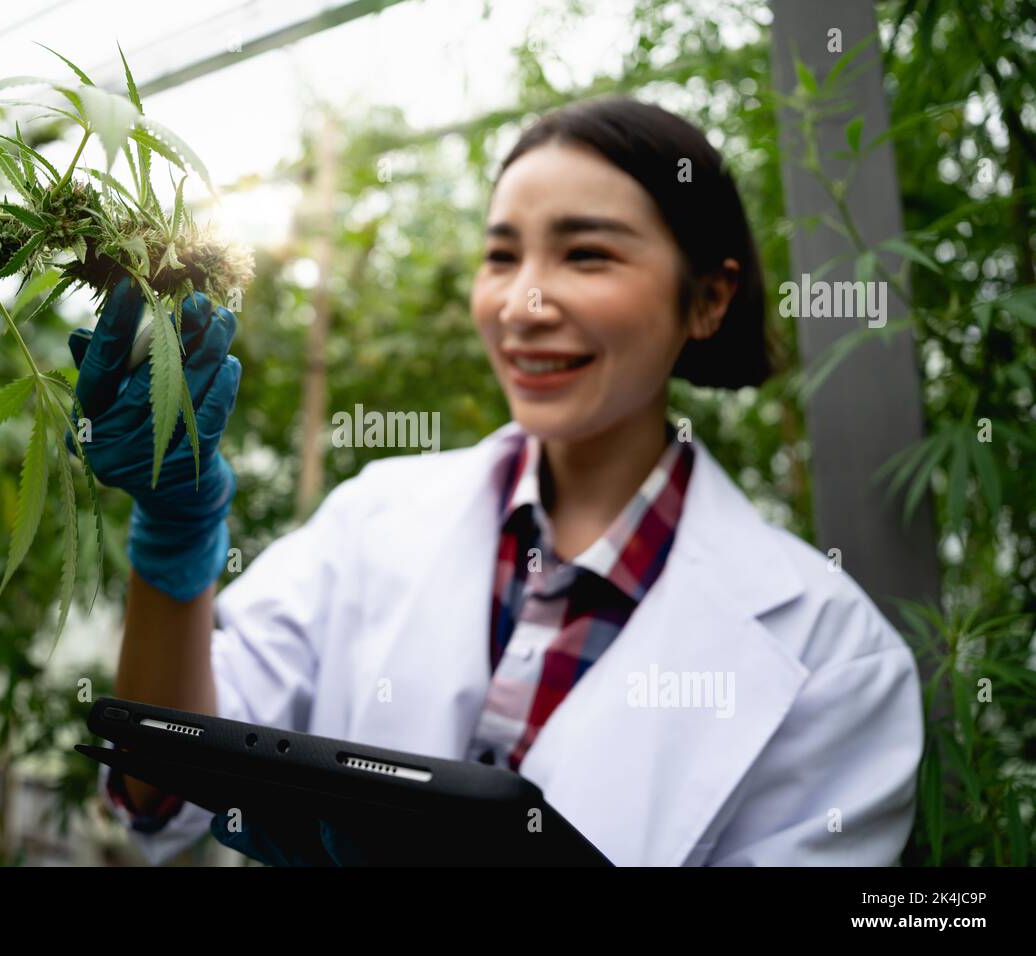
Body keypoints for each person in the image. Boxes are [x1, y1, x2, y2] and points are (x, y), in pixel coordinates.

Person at [67, 96, 923, 866]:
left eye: (587, 255)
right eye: (501, 256)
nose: (523, 304)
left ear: (707, 299)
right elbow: (160, 787)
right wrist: (174, 538)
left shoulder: (834, 658)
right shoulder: (373, 519)